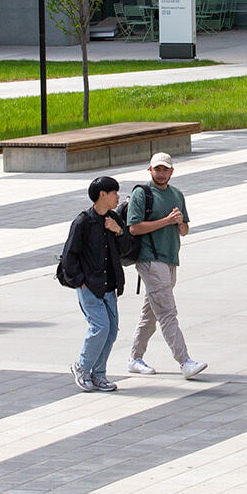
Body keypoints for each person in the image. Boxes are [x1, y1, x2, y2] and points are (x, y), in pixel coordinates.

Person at [125, 152, 206, 380]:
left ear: (172, 171)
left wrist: (179, 222)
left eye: (165, 169)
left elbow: (185, 230)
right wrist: (166, 221)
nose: (161, 173)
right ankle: (185, 361)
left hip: (170, 259)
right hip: (150, 260)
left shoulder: (177, 194)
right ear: (149, 170)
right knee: (168, 312)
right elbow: (134, 228)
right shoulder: (142, 194)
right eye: (157, 169)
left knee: (150, 314)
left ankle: (134, 358)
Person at [59, 176, 131, 392]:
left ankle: (99, 374)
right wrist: (79, 282)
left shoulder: (113, 219)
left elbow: (126, 249)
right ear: (102, 195)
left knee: (110, 332)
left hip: (110, 286)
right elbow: (69, 256)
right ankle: (81, 367)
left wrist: (117, 231)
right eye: (114, 193)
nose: (117, 197)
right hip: (90, 286)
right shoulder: (83, 222)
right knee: (100, 327)